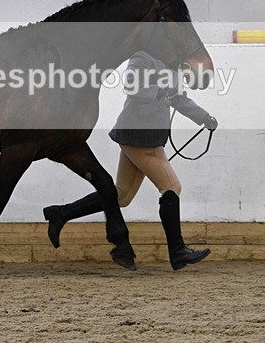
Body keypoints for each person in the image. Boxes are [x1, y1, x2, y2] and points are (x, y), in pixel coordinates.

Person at [43, 51, 218, 271]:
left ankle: (61, 213)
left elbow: (178, 98)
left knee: (122, 195)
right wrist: (162, 91)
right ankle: (177, 251)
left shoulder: (171, 64)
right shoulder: (142, 57)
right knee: (171, 187)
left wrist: (203, 117)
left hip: (150, 138)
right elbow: (131, 87)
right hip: (137, 135)